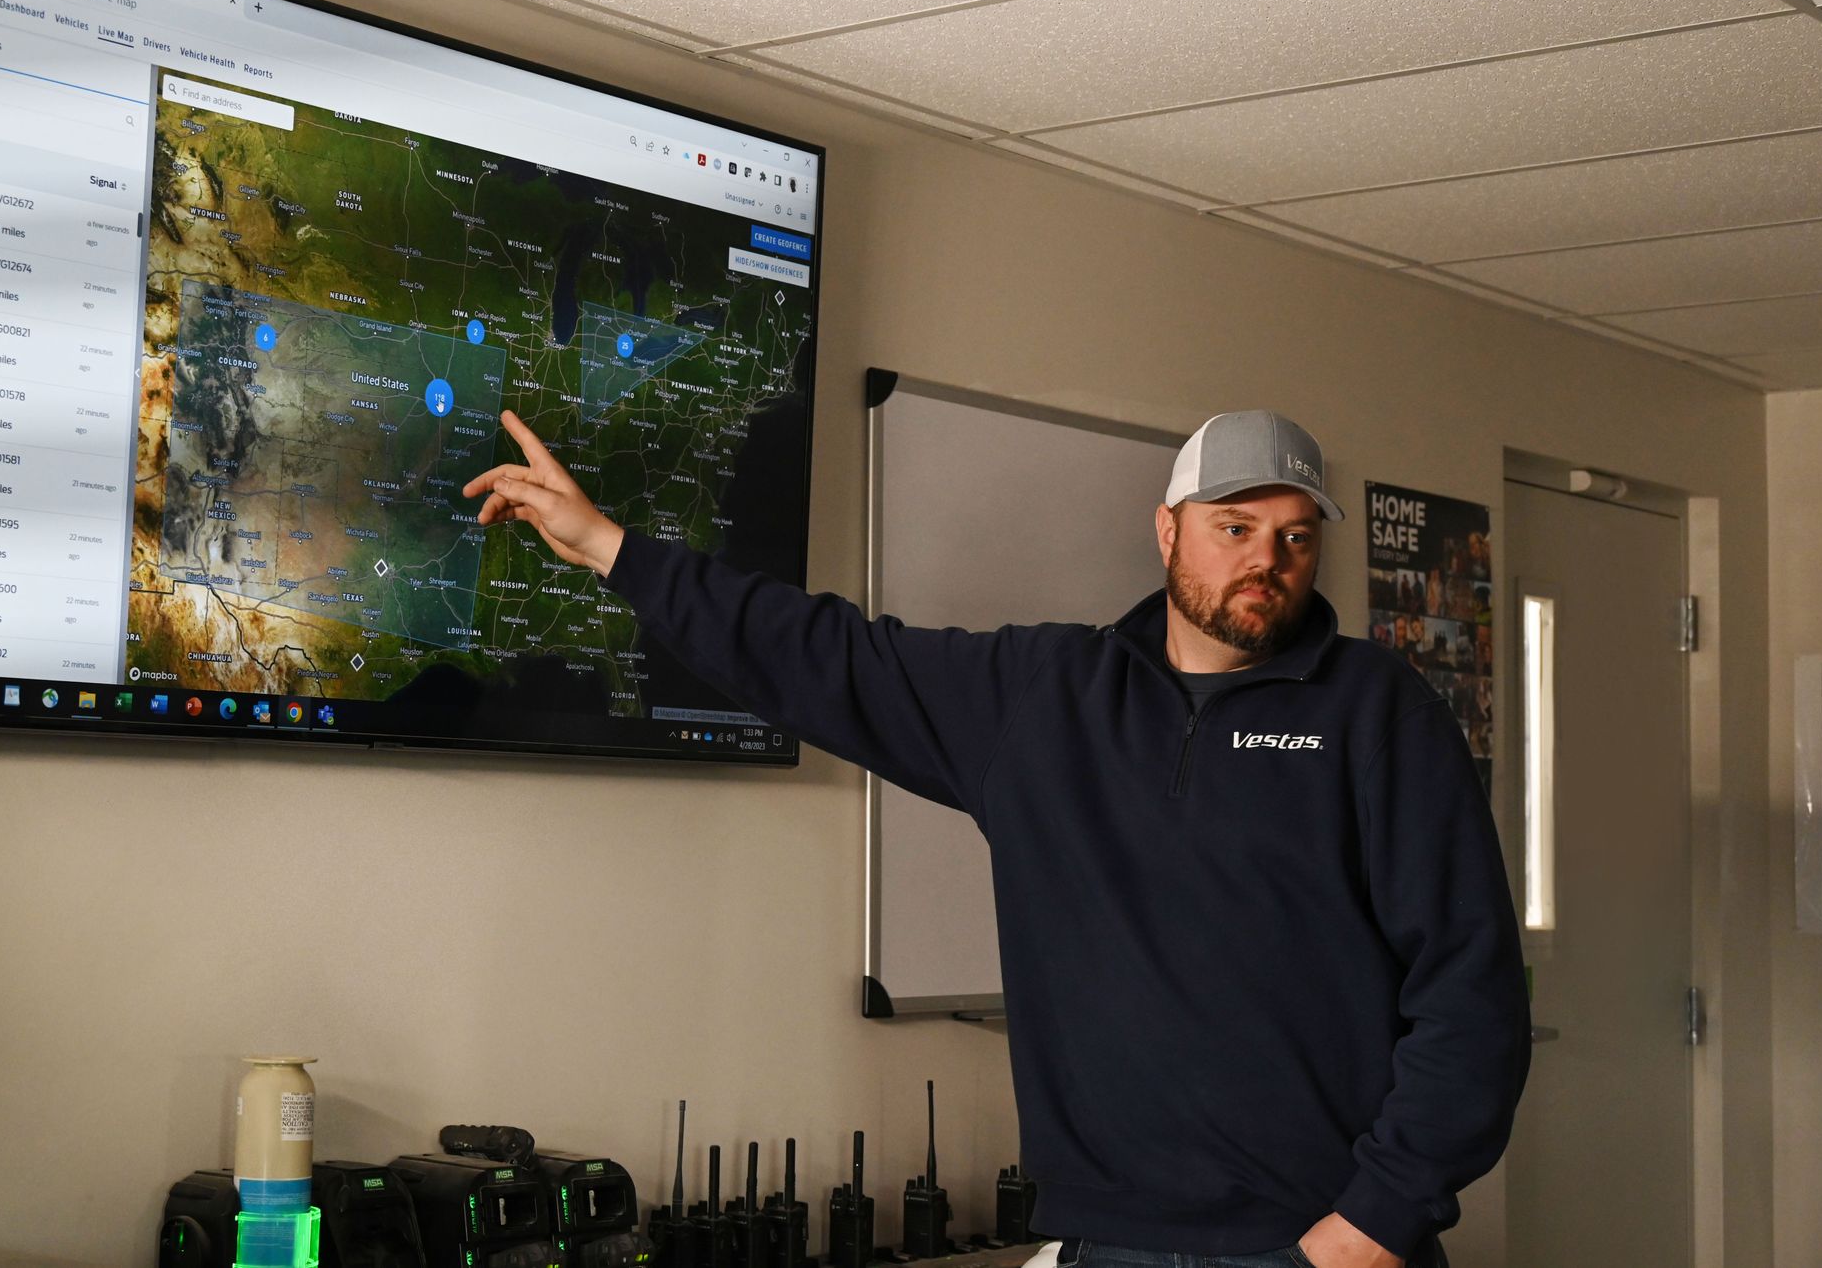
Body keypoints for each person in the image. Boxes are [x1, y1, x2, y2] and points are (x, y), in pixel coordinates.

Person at [466, 408, 1531, 1268]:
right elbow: (823, 654)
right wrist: (609, 548)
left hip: (1311, 1238)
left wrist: (1372, 1222)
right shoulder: (1044, 695)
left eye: (1295, 534)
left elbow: (1470, 992)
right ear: (1166, 529)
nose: (1268, 559)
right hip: (1106, 1236)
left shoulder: (1377, 713)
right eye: (1235, 527)